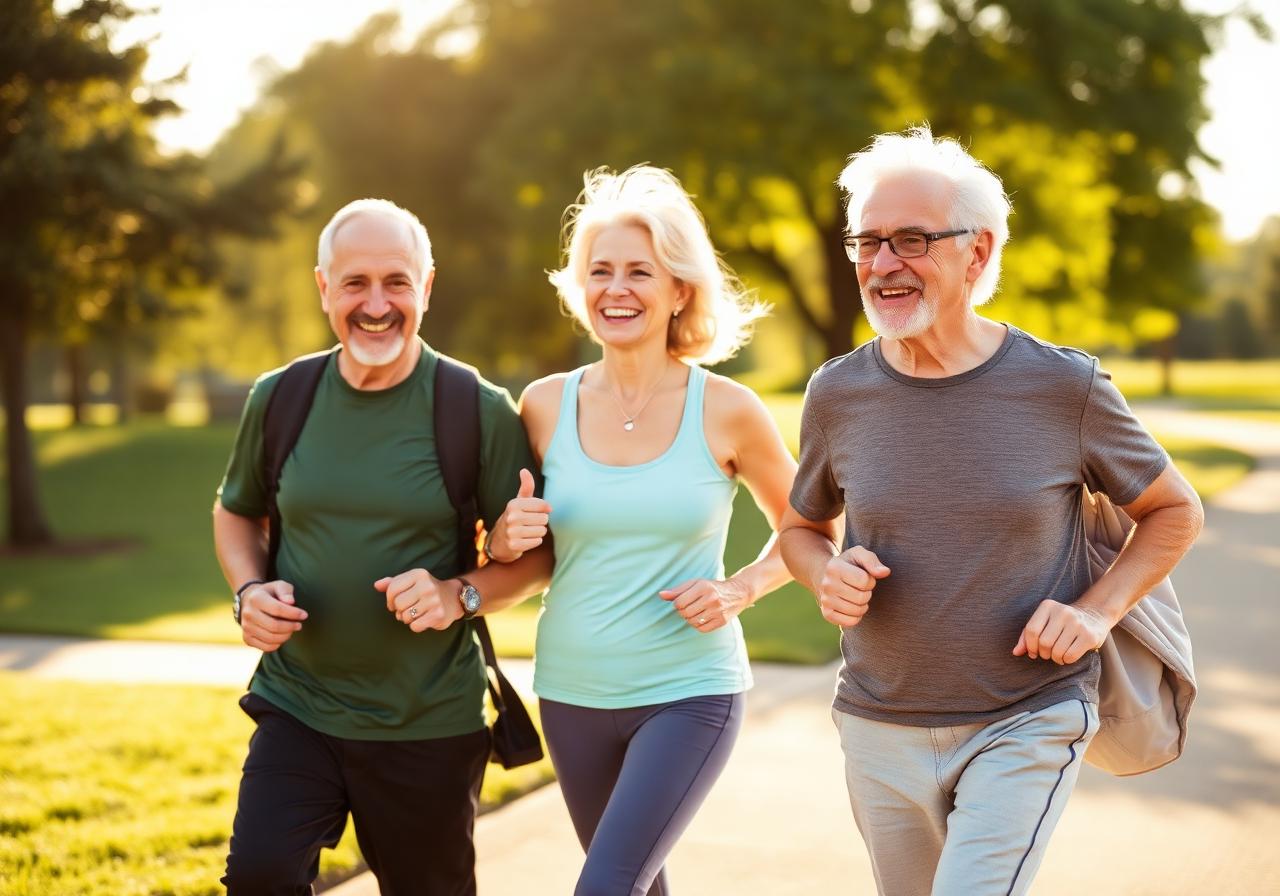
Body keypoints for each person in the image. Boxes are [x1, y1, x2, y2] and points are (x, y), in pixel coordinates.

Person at [778, 127, 1204, 896]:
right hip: (879, 723)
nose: (881, 265)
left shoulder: (1062, 387)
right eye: (867, 242)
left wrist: (1098, 614)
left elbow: (1175, 510)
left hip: (1028, 714)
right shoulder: (836, 393)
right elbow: (801, 528)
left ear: (977, 253)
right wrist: (822, 573)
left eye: (911, 240)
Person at [212, 198, 548, 895]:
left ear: (426, 287)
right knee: (259, 877)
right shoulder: (280, 397)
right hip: (298, 705)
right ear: (323, 288)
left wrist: (459, 595)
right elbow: (236, 512)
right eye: (355, 282)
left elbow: (534, 558)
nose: (376, 303)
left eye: (396, 282)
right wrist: (247, 591)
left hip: (426, 721)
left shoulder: (475, 409)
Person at [484, 165, 797, 896]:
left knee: (605, 888)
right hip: (571, 690)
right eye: (600, 271)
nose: (616, 289)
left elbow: (812, 525)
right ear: (579, 287)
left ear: (679, 289)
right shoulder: (542, 406)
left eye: (639, 272)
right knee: (634, 887)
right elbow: (498, 546)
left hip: (688, 689)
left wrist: (739, 589)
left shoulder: (726, 408)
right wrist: (500, 539)